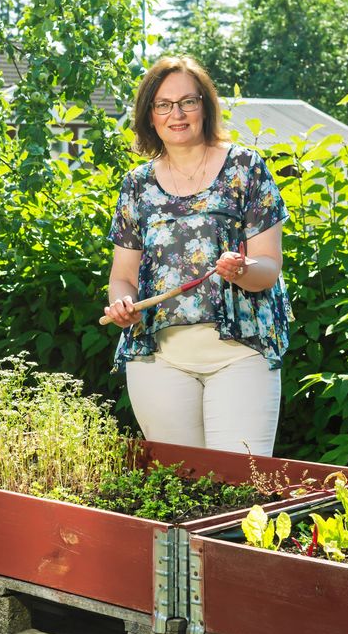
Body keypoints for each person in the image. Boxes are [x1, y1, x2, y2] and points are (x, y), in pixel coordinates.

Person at [102, 55, 292, 456]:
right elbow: (123, 276)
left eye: (188, 101)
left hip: (242, 354)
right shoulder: (136, 185)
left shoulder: (245, 168)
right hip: (158, 361)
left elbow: (269, 267)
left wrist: (241, 270)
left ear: (205, 106)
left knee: (241, 481)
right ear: (149, 115)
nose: (177, 114)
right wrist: (121, 303)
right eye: (164, 104)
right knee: (181, 484)